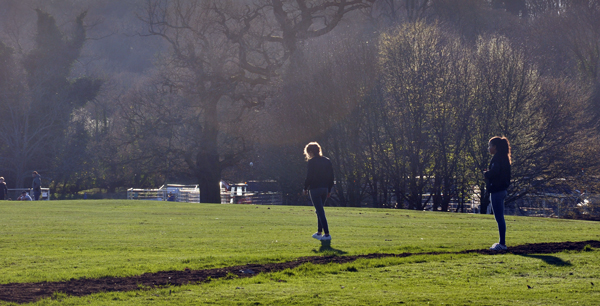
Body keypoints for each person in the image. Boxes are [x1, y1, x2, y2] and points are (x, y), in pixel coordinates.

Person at [484, 136, 512, 251]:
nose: (489, 148)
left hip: (497, 190)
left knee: (499, 218)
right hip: (503, 190)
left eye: (490, 146)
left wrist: (486, 174)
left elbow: (495, 172)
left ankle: (502, 243)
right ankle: (502, 243)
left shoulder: (497, 159)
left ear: (495, 147)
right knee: (500, 217)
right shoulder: (505, 158)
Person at [303, 142, 334, 241]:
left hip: (315, 189)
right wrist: (329, 189)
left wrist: (305, 187)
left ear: (311, 152)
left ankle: (327, 234)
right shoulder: (327, 161)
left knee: (320, 211)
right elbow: (331, 177)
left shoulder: (312, 162)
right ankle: (319, 232)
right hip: (325, 188)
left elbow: (309, 177)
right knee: (319, 210)